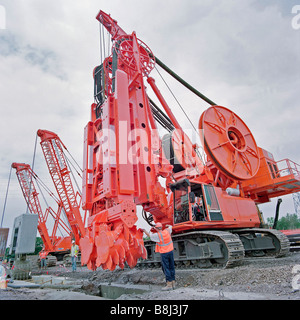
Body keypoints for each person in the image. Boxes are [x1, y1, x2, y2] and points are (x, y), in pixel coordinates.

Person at [142, 222, 175, 291]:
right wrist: (167, 225)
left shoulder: (158, 235)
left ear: (156, 228)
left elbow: (150, 236)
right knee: (171, 267)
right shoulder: (167, 231)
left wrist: (144, 230)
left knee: (166, 268)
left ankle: (169, 285)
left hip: (164, 253)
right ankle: (173, 283)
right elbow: (170, 226)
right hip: (170, 252)